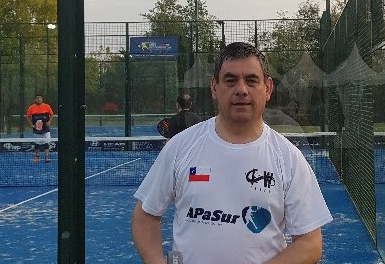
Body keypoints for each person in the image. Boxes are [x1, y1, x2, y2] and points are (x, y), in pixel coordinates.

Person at [132, 41, 332, 264]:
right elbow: (145, 216)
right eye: (230, 80)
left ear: (267, 88)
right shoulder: (181, 146)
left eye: (251, 80)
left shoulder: (289, 158)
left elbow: (310, 243)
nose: (241, 90)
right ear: (214, 88)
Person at [25, 93, 53, 162]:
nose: (39, 99)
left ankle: (46, 157)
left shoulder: (47, 106)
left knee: (46, 143)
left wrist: (49, 122)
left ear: (42, 99)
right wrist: (31, 124)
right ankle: (36, 157)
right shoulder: (31, 107)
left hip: (46, 129)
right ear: (35, 99)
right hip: (36, 129)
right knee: (37, 144)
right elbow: (28, 116)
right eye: (37, 98)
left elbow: (51, 114)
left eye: (40, 98)